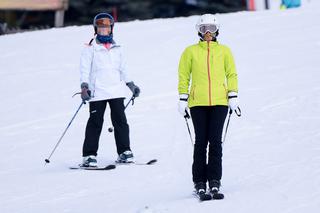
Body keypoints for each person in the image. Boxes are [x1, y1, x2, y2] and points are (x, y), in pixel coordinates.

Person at [178, 14, 239, 196]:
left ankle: (214, 180)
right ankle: (199, 181)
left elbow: (232, 74)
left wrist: (233, 94)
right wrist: (183, 97)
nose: (207, 32)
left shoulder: (225, 51)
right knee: (200, 143)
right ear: (198, 31)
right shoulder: (190, 51)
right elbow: (183, 75)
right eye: (203, 28)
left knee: (215, 142)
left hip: (220, 102)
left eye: (211, 29)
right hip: (198, 103)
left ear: (217, 30)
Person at [79, 12, 140, 167]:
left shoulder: (117, 48)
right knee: (95, 123)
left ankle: (124, 152)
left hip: (116, 91)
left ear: (111, 29)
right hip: (97, 92)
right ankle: (89, 156)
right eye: (100, 29)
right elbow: (84, 69)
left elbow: (123, 69)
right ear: (96, 29)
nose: (103, 31)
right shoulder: (90, 48)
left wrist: (131, 85)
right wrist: (84, 87)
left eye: (106, 28)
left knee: (120, 122)